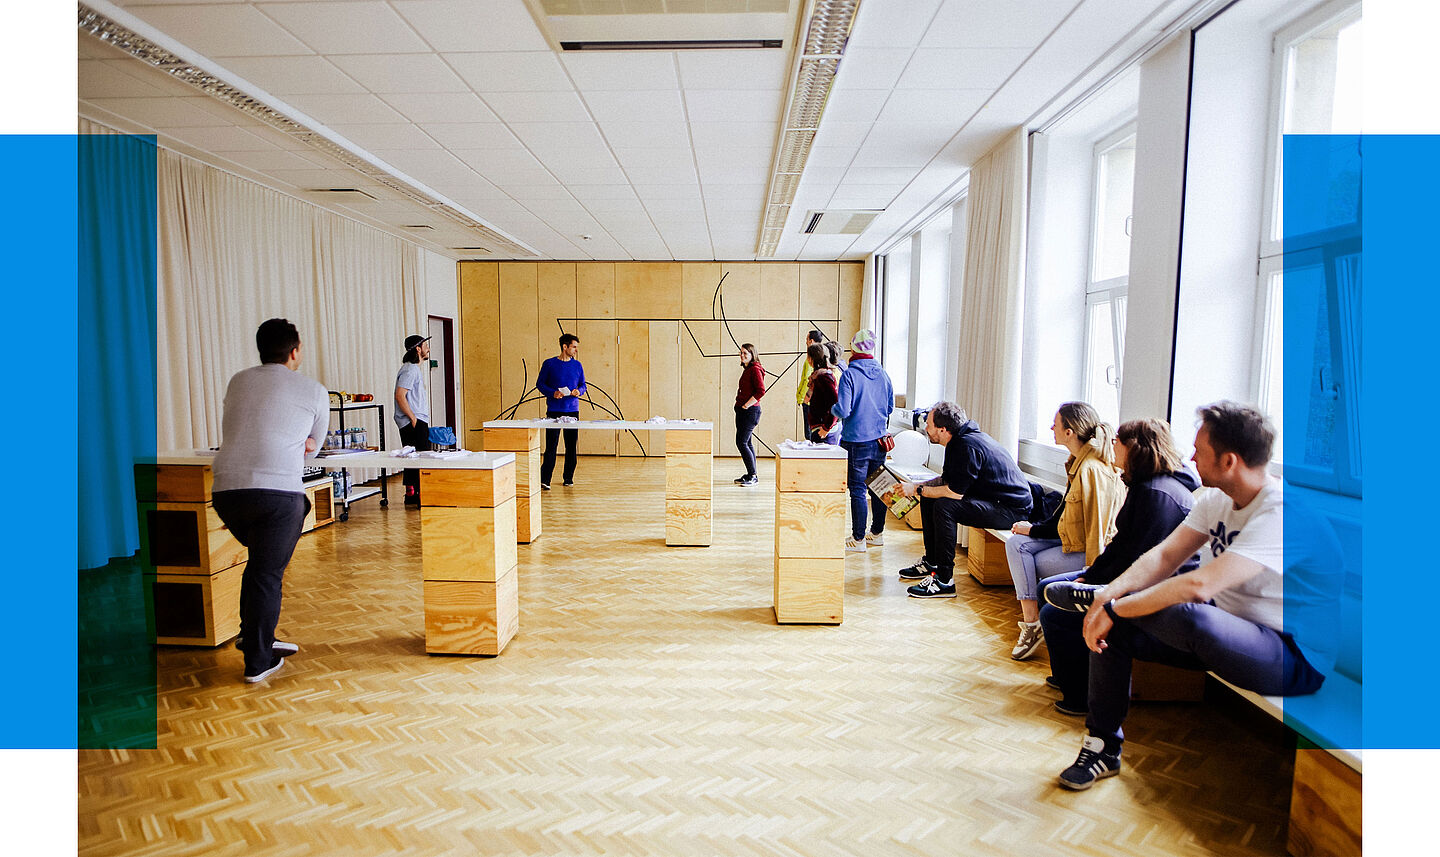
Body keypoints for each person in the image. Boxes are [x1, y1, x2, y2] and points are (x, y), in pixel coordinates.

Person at [1044, 402, 1340, 790]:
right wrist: (1110, 596)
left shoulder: (1284, 515)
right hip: (1226, 628)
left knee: (1186, 611)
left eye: (1201, 450)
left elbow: (1199, 587)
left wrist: (1115, 609)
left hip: (1291, 656)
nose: (1191, 456)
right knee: (1115, 631)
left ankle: (1102, 601)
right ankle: (1102, 748)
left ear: (1229, 460)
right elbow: (1165, 555)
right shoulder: (1217, 499)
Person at [1037, 418, 1201, 715]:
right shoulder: (1147, 486)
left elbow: (1137, 558)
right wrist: (1090, 574)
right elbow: (1122, 547)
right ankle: (1068, 678)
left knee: (1055, 614)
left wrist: (1095, 581)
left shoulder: (1157, 494)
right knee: (1047, 589)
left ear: (1133, 447)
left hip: (1152, 589)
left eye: (1117, 441)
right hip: (1130, 576)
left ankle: (1080, 697)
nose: (1111, 445)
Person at [211, 318, 328, 683]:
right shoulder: (313, 390)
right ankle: (258, 661)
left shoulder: (238, 381)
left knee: (260, 568)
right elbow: (313, 448)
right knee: (265, 573)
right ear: (295, 352)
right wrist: (300, 442)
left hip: (226, 493)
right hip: (276, 494)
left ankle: (256, 637)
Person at [1003, 402, 1125, 660]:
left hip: (1088, 555)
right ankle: (1032, 623)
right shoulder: (1079, 462)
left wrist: (1093, 576)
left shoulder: (1092, 469)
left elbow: (1099, 528)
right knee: (1015, 543)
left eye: (1055, 424)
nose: (1051, 428)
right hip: (1070, 543)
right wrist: (1031, 529)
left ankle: (1035, 624)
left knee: (1028, 559)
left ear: (1069, 432)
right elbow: (1061, 519)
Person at [896, 402, 1032, 597]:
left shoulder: (967, 446)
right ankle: (932, 563)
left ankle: (944, 580)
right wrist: (918, 488)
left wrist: (917, 489)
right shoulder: (958, 441)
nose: (926, 429)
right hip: (994, 501)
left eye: (929, 424)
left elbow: (954, 493)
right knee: (929, 497)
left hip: (1011, 510)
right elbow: (946, 481)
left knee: (944, 506)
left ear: (943, 430)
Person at [831, 329, 895, 552]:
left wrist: (833, 408)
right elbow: (889, 408)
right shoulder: (883, 374)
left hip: (855, 442)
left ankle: (858, 539)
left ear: (854, 348)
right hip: (879, 441)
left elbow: (843, 409)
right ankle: (876, 534)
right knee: (878, 486)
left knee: (857, 489)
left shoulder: (849, 374)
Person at [536, 333, 587, 489]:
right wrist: (553, 393)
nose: (576, 350)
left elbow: (583, 385)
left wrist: (579, 391)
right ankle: (545, 480)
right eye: (574, 347)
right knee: (551, 446)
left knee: (571, 446)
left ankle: (568, 478)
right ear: (565, 347)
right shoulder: (549, 364)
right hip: (553, 410)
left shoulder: (577, 365)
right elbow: (540, 384)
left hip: (572, 411)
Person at [394, 334, 433, 506]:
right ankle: (417, 495)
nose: (428, 348)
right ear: (418, 349)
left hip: (415, 418)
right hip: (413, 420)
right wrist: (413, 418)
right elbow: (400, 395)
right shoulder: (410, 370)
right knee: (420, 457)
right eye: (425, 345)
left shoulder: (413, 369)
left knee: (413, 457)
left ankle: (412, 494)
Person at [733, 342, 766, 486]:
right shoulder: (748, 369)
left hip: (750, 411)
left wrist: (746, 404)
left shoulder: (755, 369)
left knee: (741, 442)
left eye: (745, 353)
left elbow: (761, 391)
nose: (742, 355)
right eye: (741, 353)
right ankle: (750, 473)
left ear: (753, 355)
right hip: (742, 411)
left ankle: (753, 476)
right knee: (747, 442)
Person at [804, 342, 841, 445]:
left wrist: (826, 427)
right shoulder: (819, 375)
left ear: (812, 358)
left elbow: (834, 403)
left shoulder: (823, 377)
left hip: (823, 428)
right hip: (820, 426)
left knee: (822, 460)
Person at [796, 328, 824, 437]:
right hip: (817, 400)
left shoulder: (811, 359)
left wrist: (800, 397)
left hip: (808, 400)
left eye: (807, 339)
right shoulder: (823, 356)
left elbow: (806, 380)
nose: (806, 342)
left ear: (811, 341)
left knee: (809, 432)